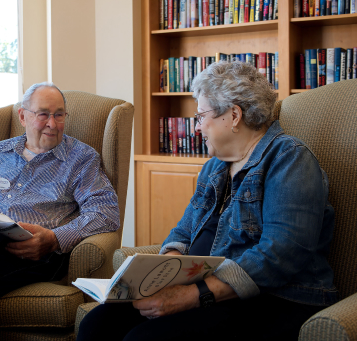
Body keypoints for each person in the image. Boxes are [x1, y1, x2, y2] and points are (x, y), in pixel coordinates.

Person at [77, 61, 338, 341]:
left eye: (201, 116)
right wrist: (165, 272)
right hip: (207, 290)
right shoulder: (215, 167)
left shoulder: (289, 158)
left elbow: (281, 254)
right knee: (97, 324)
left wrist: (192, 295)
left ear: (234, 115)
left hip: (274, 297)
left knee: (145, 338)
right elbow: (184, 231)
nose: (197, 126)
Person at [0, 82, 120, 341]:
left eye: (59, 114)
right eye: (43, 114)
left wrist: (54, 238)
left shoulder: (81, 159)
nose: (52, 123)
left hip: (32, 253)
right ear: (23, 116)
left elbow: (106, 212)